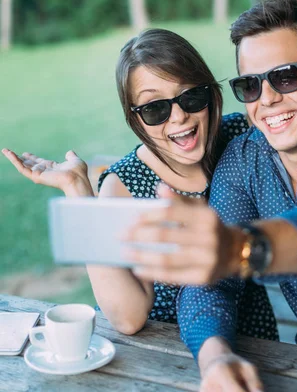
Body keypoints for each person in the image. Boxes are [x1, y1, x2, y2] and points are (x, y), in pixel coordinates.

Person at [121, 0, 297, 391]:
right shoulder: (244, 160)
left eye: (285, 77)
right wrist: (215, 356)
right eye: (250, 85)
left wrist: (246, 246)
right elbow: (213, 283)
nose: (266, 99)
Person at [2, 28, 277, 344]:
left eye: (191, 97)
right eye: (154, 108)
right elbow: (127, 317)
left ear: (212, 94)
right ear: (135, 119)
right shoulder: (123, 186)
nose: (178, 117)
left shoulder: (237, 137)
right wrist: (78, 192)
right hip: (170, 350)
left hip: (258, 343)